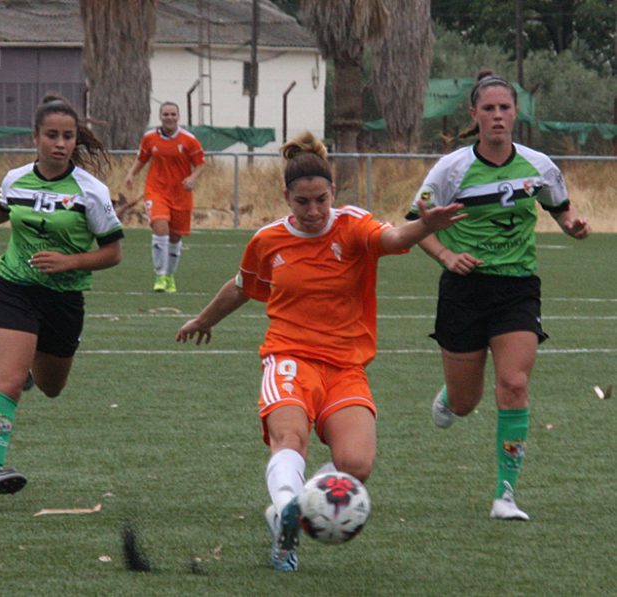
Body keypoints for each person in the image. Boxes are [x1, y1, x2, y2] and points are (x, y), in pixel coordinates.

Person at [176, 131, 465, 571]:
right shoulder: (268, 240)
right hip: (289, 358)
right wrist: (203, 320)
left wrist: (426, 224)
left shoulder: (354, 226)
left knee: (356, 464)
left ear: (333, 193)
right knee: (290, 437)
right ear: (286, 197)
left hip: (347, 366)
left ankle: (287, 508)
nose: (313, 211)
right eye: (302, 202)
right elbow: (241, 288)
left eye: (320, 200)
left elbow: (392, 239)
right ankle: (288, 520)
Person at [406, 70, 591, 521]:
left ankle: (505, 494)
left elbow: (561, 210)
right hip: (464, 292)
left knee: (514, 384)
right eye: (487, 109)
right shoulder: (451, 169)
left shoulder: (540, 165)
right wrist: (448, 256)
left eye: (504, 108)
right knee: (467, 403)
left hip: (517, 290)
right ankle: (452, 396)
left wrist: (573, 227)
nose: (497, 116)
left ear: (516, 113)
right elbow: (416, 226)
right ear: (474, 115)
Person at [0, 95, 124, 505]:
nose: (60, 143)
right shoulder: (16, 178)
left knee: (53, 386)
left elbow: (113, 252)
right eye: (52, 135)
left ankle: (28, 373)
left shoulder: (91, 192)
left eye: (68, 136)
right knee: (7, 382)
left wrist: (70, 260)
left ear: (76, 141)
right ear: (35, 137)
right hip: (13, 289)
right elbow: (3, 209)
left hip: (64, 300)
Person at [124, 101, 206, 293]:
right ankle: (160, 275)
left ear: (178, 117)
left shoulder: (189, 140)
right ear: (160, 116)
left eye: (173, 114)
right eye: (166, 114)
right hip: (156, 190)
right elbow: (142, 158)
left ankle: (169, 276)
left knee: (175, 237)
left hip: (181, 194)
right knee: (160, 227)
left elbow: (201, 163)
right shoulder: (149, 137)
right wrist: (131, 174)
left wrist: (192, 178)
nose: (169, 117)